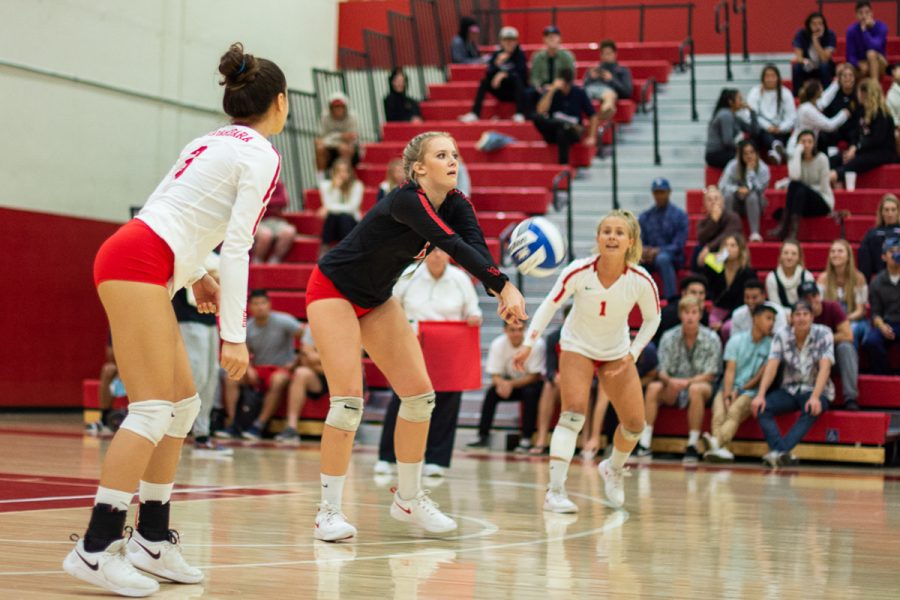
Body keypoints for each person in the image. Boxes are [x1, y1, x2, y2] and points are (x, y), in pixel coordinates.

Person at [64, 43, 286, 596]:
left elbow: (166, 210)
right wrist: (232, 336)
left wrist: (195, 274)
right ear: (281, 103)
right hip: (139, 262)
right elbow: (238, 247)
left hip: (141, 254)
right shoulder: (261, 153)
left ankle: (153, 538)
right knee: (152, 407)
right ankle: (95, 548)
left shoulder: (210, 139)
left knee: (183, 405)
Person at [306, 131, 526, 541]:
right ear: (419, 168)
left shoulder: (457, 202)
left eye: (456, 154)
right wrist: (504, 285)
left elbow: (474, 245)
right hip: (332, 289)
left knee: (420, 397)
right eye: (442, 155)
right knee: (349, 402)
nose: (453, 160)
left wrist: (498, 288)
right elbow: (452, 245)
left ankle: (408, 499)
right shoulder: (406, 199)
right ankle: (328, 512)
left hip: (375, 298)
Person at [513, 209, 661, 511]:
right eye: (606, 231)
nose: (612, 236)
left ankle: (613, 468)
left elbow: (652, 319)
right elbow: (549, 306)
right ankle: (555, 491)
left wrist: (633, 353)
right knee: (573, 415)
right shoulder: (579, 270)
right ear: (598, 238)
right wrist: (529, 344)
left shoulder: (640, 280)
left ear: (630, 241)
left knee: (635, 425)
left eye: (619, 232)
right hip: (577, 345)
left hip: (616, 352)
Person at [376, 247, 483, 476]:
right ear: (425, 253)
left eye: (441, 251)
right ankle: (387, 456)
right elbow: (391, 305)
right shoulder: (410, 275)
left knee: (447, 401)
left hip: (449, 348)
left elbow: (473, 309)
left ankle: (437, 460)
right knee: (403, 398)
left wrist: (474, 317)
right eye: (432, 251)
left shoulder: (460, 279)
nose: (436, 255)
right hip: (413, 343)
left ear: (448, 254)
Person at [751, 300, 834, 467]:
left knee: (811, 408)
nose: (802, 318)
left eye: (805, 315)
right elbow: (772, 366)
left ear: (812, 317)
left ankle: (778, 452)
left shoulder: (824, 333)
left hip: (816, 389)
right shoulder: (781, 335)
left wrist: (816, 397)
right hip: (790, 389)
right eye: (798, 314)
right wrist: (760, 395)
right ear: (791, 318)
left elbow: (825, 368)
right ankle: (782, 454)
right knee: (762, 406)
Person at [638, 296, 721, 462]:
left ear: (700, 314)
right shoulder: (669, 337)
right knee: (654, 388)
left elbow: (711, 373)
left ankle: (692, 445)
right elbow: (660, 369)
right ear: (680, 314)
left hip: (700, 385)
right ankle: (644, 443)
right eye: (686, 312)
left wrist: (687, 383)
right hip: (672, 385)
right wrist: (669, 381)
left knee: (695, 390)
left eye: (694, 312)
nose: (690, 316)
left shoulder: (712, 338)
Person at [220, 289, 302, 440]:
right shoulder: (248, 327)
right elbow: (244, 352)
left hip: (280, 369)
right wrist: (249, 368)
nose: (260, 307)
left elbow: (306, 336)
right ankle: (233, 423)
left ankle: (259, 425)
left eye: (263, 303)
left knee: (278, 380)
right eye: (256, 304)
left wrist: (296, 360)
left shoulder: (284, 321)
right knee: (231, 376)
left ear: (269, 305)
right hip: (258, 369)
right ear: (250, 307)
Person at [173, 253, 232, 457]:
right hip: (187, 318)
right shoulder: (185, 246)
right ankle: (172, 432)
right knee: (195, 375)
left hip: (208, 320)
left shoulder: (214, 254)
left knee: (211, 375)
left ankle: (202, 435)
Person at [704, 304, 777, 462]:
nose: (771, 323)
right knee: (719, 413)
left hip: (750, 392)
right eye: (768, 318)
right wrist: (728, 394)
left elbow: (759, 377)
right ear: (756, 319)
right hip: (728, 387)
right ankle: (721, 449)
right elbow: (730, 371)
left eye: (773, 320)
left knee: (735, 410)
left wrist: (739, 391)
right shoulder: (736, 341)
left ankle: (716, 442)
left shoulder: (772, 346)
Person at [468, 321, 545, 452]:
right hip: (509, 383)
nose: (517, 333)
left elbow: (535, 376)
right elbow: (494, 374)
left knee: (530, 393)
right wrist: (502, 384)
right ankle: (483, 436)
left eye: (520, 329)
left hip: (530, 384)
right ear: (505, 330)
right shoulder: (498, 344)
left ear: (525, 329)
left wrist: (510, 384)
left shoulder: (536, 344)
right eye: (512, 330)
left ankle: (526, 438)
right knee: (491, 393)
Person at [798, 280, 860, 411]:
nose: (812, 300)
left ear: (819, 295)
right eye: (807, 298)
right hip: (811, 357)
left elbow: (848, 335)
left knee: (846, 347)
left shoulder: (832, 307)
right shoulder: (799, 315)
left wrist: (823, 339)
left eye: (814, 296)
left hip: (833, 357)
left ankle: (850, 398)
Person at [831, 78, 899, 186]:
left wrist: (856, 149)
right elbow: (855, 133)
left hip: (881, 153)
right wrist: (853, 146)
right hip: (864, 150)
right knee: (836, 159)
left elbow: (876, 140)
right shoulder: (861, 111)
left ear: (865, 94)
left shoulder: (882, 114)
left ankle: (833, 176)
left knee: (853, 162)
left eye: (860, 93)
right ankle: (835, 183)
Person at [772, 130, 834, 240]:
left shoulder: (822, 159)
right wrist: (796, 153)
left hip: (822, 201)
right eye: (803, 142)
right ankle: (786, 228)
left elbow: (824, 187)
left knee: (799, 188)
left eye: (810, 141)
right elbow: (795, 177)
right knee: (794, 186)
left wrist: (806, 188)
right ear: (798, 144)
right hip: (803, 202)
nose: (806, 145)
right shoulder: (795, 158)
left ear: (814, 144)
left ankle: (789, 230)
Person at [458, 26, 528, 123]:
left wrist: (505, 74)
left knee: (517, 80)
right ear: (501, 42)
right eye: (506, 40)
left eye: (511, 40)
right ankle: (475, 113)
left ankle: (519, 113)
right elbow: (489, 73)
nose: (509, 43)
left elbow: (523, 75)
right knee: (484, 81)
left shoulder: (520, 55)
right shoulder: (497, 54)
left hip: (515, 92)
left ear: (516, 42)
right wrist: (496, 63)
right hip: (500, 89)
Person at [532, 67, 600, 164]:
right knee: (537, 118)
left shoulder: (579, 93)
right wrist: (551, 91)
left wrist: (592, 136)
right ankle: (563, 124)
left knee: (563, 131)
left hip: (571, 132)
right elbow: (540, 111)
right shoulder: (553, 92)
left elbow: (593, 115)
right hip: (553, 129)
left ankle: (563, 165)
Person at [274, 327, 329, 445]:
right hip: (318, 376)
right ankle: (291, 428)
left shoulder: (351, 326)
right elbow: (305, 358)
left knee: (355, 374)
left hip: (342, 377)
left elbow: (349, 362)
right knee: (301, 372)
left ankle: (347, 431)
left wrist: (317, 357)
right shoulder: (313, 326)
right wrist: (328, 359)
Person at [639, 177, 689, 300]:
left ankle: (671, 298)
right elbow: (640, 240)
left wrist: (659, 251)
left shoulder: (679, 215)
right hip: (650, 257)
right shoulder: (646, 216)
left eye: (662, 192)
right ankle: (638, 300)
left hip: (673, 257)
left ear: (669, 192)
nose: (659, 196)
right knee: (634, 260)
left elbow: (678, 244)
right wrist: (644, 251)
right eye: (656, 192)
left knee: (663, 259)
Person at [817, 239, 870, 348]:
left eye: (840, 251)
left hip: (854, 319)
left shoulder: (858, 278)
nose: (835, 254)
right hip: (831, 321)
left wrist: (844, 320)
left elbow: (861, 310)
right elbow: (819, 306)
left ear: (848, 256)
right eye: (833, 251)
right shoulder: (823, 278)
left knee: (851, 330)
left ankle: (850, 363)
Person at [702, 234, 757, 329]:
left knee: (727, 328)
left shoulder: (747, 273)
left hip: (739, 311)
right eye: (726, 245)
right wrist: (712, 262)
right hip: (718, 309)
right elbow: (707, 285)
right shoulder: (717, 268)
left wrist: (723, 322)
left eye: (732, 245)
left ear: (740, 249)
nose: (728, 248)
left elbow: (742, 302)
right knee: (708, 323)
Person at [718, 141, 770, 241]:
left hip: (755, 205)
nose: (749, 156)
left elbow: (759, 189)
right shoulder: (732, 165)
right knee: (728, 195)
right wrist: (737, 190)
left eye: (752, 152)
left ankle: (755, 233)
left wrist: (750, 172)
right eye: (745, 153)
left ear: (757, 153)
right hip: (735, 203)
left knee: (752, 196)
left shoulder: (764, 169)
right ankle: (729, 231)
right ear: (740, 155)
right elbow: (722, 186)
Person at [862, 236, 900, 374]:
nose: (897, 254)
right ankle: (884, 374)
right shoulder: (877, 282)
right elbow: (875, 312)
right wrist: (882, 326)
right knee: (871, 341)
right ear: (884, 257)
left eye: (899, 250)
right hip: (888, 323)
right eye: (892, 251)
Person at [786, 80, 850, 157]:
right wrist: (844, 114)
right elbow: (829, 126)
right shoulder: (807, 109)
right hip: (797, 149)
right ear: (816, 92)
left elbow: (825, 99)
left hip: (807, 147)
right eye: (821, 88)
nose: (822, 90)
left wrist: (836, 83)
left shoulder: (812, 104)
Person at [746, 64, 795, 162]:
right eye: (767, 76)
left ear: (778, 78)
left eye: (773, 76)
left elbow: (792, 117)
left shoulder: (786, 93)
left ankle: (776, 153)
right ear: (763, 78)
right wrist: (767, 126)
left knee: (786, 133)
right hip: (763, 130)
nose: (770, 79)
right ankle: (777, 148)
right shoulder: (755, 92)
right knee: (760, 132)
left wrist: (780, 128)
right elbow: (751, 115)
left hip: (781, 130)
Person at [318, 158, 364, 254]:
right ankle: (325, 249)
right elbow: (328, 204)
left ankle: (346, 251)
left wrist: (329, 208)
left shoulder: (357, 185)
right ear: (333, 172)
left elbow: (352, 208)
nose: (342, 174)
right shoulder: (326, 185)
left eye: (345, 171)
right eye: (339, 171)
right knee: (333, 217)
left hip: (350, 224)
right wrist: (336, 188)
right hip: (334, 225)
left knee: (344, 217)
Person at [705, 88, 758, 168]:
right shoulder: (725, 115)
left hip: (726, 151)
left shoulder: (734, 116)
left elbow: (754, 131)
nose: (742, 101)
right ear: (731, 102)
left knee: (752, 149)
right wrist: (744, 149)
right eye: (739, 99)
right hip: (716, 154)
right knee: (747, 157)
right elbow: (727, 141)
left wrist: (752, 112)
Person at [582, 39, 633, 121]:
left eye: (609, 53)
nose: (607, 56)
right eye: (604, 54)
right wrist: (590, 78)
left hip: (608, 91)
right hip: (591, 89)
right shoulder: (593, 69)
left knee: (609, 95)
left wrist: (612, 79)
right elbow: (584, 87)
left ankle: (606, 110)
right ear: (600, 55)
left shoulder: (622, 71)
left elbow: (627, 92)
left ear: (615, 54)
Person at [694, 185, 744, 269]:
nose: (713, 202)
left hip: (728, 251)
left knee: (725, 253)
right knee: (698, 249)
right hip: (710, 254)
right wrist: (713, 222)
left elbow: (727, 235)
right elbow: (701, 238)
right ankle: (697, 280)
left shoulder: (733, 217)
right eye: (709, 200)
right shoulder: (702, 222)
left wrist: (709, 247)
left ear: (722, 201)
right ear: (705, 204)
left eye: (716, 198)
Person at [528, 25, 576, 113]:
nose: (551, 38)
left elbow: (570, 76)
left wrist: (556, 86)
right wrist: (539, 86)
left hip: (560, 87)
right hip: (543, 87)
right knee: (529, 93)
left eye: (554, 36)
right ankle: (531, 117)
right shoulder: (537, 56)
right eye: (548, 36)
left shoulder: (567, 56)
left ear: (560, 39)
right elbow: (534, 77)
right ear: (544, 39)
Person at [654, 274, 710, 345]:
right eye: (693, 292)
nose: (698, 297)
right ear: (683, 293)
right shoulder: (669, 312)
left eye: (701, 293)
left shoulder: (703, 312)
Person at [817, 63, 861, 152]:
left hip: (853, 128)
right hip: (835, 128)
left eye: (850, 75)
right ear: (839, 79)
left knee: (857, 134)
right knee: (824, 134)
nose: (848, 78)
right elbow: (826, 113)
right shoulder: (833, 94)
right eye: (844, 76)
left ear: (855, 78)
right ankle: (830, 158)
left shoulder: (859, 95)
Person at [252, 180, 297, 264]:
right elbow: (253, 203)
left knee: (289, 231)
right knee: (266, 235)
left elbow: (284, 201)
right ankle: (256, 263)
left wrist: (266, 202)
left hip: (275, 220)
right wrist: (272, 204)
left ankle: (274, 263)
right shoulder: (254, 183)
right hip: (257, 221)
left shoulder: (278, 183)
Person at [315, 92, 360, 175]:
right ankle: (321, 178)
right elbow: (320, 139)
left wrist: (332, 138)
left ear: (345, 107)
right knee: (319, 147)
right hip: (330, 148)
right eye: (335, 107)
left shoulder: (352, 117)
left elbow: (353, 138)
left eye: (341, 107)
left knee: (344, 148)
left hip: (350, 150)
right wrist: (341, 136)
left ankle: (346, 177)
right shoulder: (325, 117)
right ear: (330, 108)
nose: (338, 109)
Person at [859, 193, 900, 280]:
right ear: (881, 212)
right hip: (879, 278)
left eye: (893, 210)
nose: (890, 213)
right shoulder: (872, 233)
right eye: (886, 210)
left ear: (898, 211)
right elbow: (864, 260)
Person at [791, 12, 837, 90]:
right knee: (797, 68)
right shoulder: (801, 34)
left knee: (824, 66)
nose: (817, 27)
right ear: (809, 25)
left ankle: (826, 95)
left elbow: (825, 58)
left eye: (820, 24)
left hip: (824, 67)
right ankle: (798, 96)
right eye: (814, 24)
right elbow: (799, 57)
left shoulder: (830, 34)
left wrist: (815, 41)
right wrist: (805, 61)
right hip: (808, 66)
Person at [765, 240, 816, 309]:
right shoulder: (772, 278)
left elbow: (810, 305)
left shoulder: (807, 276)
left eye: (794, 254)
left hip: (803, 316)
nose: (789, 257)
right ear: (780, 255)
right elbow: (775, 308)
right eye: (786, 253)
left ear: (799, 257)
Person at [845, 1, 889, 80]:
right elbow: (850, 55)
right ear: (856, 15)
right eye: (860, 13)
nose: (864, 16)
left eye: (867, 12)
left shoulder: (881, 27)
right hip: (861, 63)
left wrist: (864, 31)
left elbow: (875, 46)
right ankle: (855, 91)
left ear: (872, 13)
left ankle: (874, 87)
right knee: (845, 68)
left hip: (879, 62)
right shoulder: (851, 30)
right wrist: (858, 64)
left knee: (871, 53)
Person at [85, 339, 120, 437]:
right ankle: (104, 421)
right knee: (108, 369)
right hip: (124, 371)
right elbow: (110, 354)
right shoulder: (116, 327)